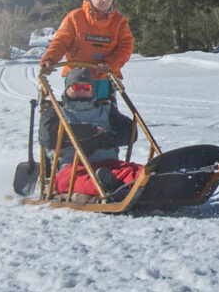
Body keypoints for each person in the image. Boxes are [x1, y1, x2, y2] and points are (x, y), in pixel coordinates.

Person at [38, 67, 143, 199]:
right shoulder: (55, 111)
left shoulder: (106, 109)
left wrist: (105, 140)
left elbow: (130, 131)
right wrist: (89, 132)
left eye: (86, 87)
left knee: (133, 170)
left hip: (108, 164)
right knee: (72, 181)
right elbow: (48, 136)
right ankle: (111, 187)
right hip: (72, 167)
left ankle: (151, 181)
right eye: (76, 87)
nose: (82, 91)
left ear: (92, 90)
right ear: (67, 89)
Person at [40, 0, 133, 101]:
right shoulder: (75, 18)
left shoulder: (119, 22)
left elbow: (125, 48)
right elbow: (61, 42)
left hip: (103, 76)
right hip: (76, 76)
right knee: (76, 109)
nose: (105, 1)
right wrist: (50, 60)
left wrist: (110, 63)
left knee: (103, 111)